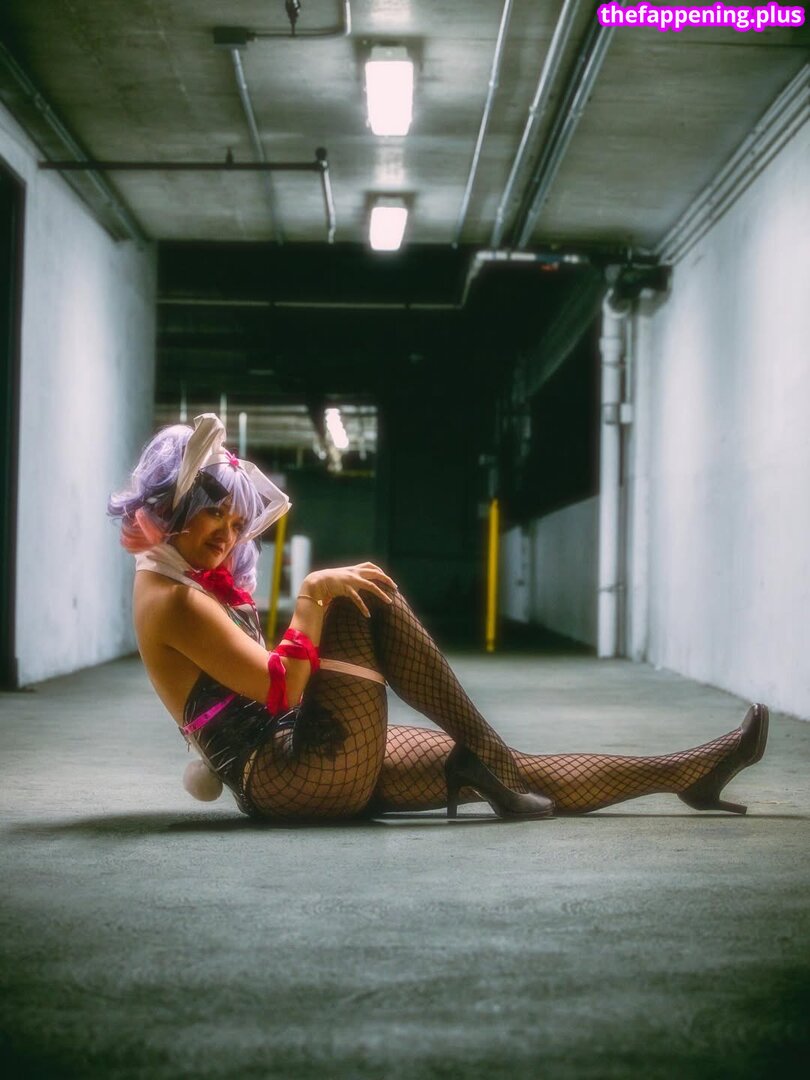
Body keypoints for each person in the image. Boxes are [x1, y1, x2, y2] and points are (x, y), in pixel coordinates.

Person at [108, 414, 769, 824]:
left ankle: (687, 773)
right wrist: (311, 595)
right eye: (212, 513)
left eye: (234, 519)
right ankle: (491, 757)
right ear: (172, 504)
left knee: (508, 768)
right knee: (356, 597)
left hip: (307, 756)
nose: (227, 532)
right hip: (284, 777)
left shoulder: (180, 577)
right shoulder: (173, 599)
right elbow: (279, 688)